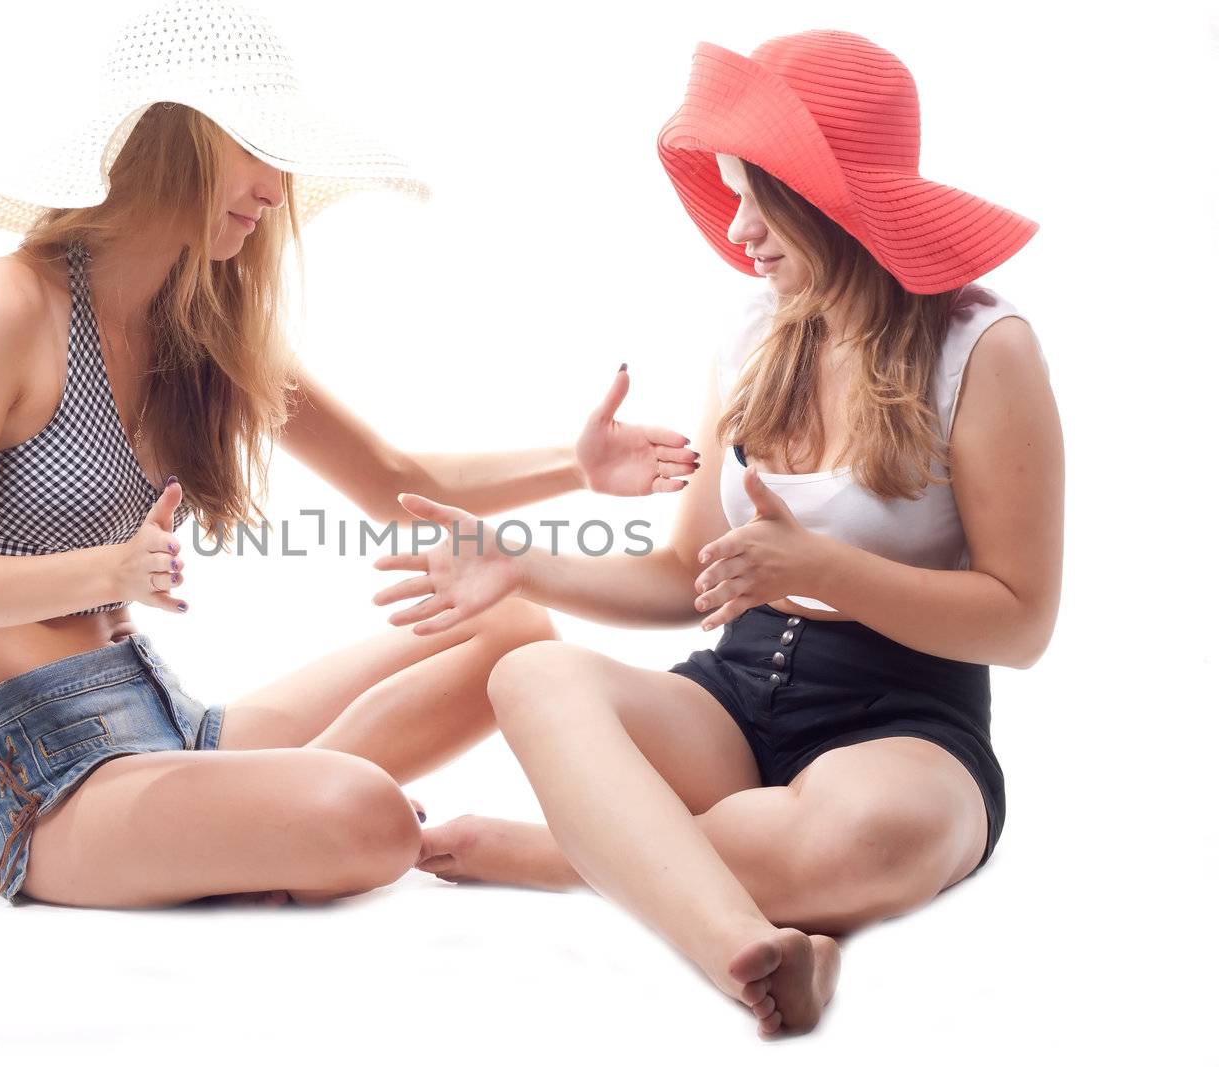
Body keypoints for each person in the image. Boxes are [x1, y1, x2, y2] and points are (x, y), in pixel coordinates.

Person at [0, 1, 698, 910]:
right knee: (372, 818)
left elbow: (401, 485)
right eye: (257, 149)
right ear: (172, 139)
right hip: (49, 780)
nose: (277, 189)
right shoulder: (8, 307)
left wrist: (576, 468)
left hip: (167, 722)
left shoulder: (201, 332)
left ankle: (260, 816)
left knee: (515, 632)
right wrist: (107, 570)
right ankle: (284, 813)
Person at [374, 30, 1062, 1036]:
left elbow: (1021, 621)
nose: (737, 228)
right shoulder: (751, 336)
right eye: (731, 192)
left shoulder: (982, 346)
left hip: (902, 715)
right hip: (732, 697)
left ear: (831, 194)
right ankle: (741, 947)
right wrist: (524, 562)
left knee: (870, 839)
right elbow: (682, 577)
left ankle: (573, 849)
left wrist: (826, 568)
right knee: (530, 674)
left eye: (758, 195)